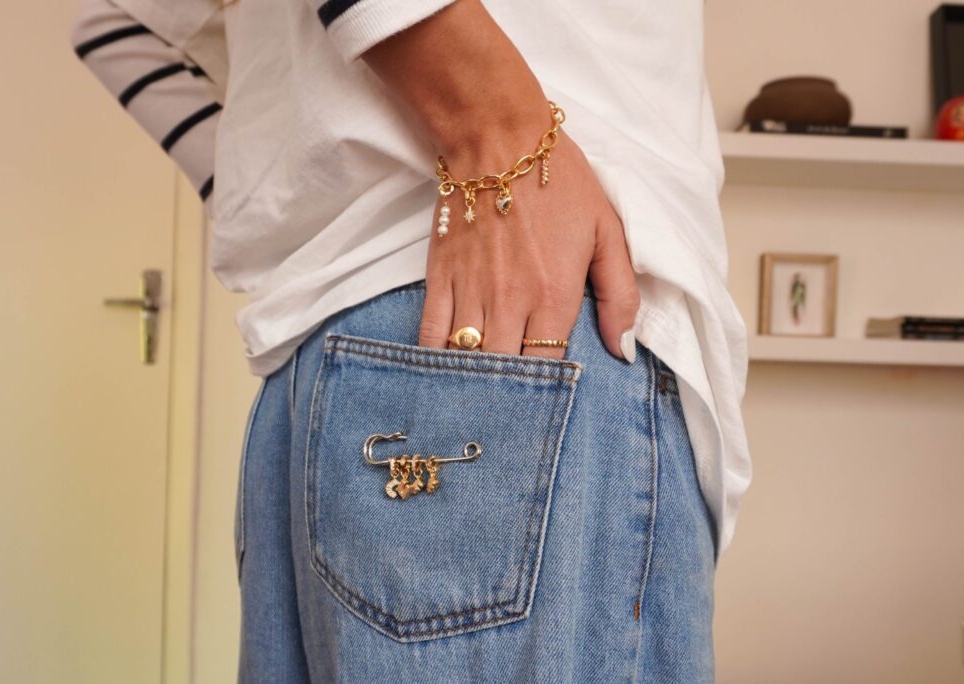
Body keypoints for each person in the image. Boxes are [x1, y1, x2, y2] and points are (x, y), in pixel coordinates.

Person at [71, 0, 752, 681]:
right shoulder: (504, 154)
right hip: (516, 309)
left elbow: (114, 24)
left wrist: (289, 199)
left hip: (331, 360)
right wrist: (498, 129)